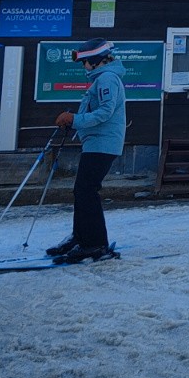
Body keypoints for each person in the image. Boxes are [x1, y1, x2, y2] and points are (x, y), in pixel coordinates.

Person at [46, 38, 127, 263]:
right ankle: (80, 237)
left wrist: (74, 119)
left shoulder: (107, 79)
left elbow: (104, 113)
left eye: (84, 62)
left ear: (94, 60)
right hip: (96, 143)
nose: (83, 67)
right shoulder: (102, 79)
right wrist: (74, 120)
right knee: (82, 190)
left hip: (103, 144)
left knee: (86, 191)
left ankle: (94, 243)